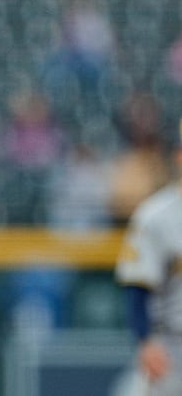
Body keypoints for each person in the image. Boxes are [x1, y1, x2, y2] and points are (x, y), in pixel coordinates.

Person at [115, 125, 182, 396]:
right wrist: (146, 342)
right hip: (171, 346)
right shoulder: (155, 216)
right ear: (179, 156)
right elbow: (137, 289)